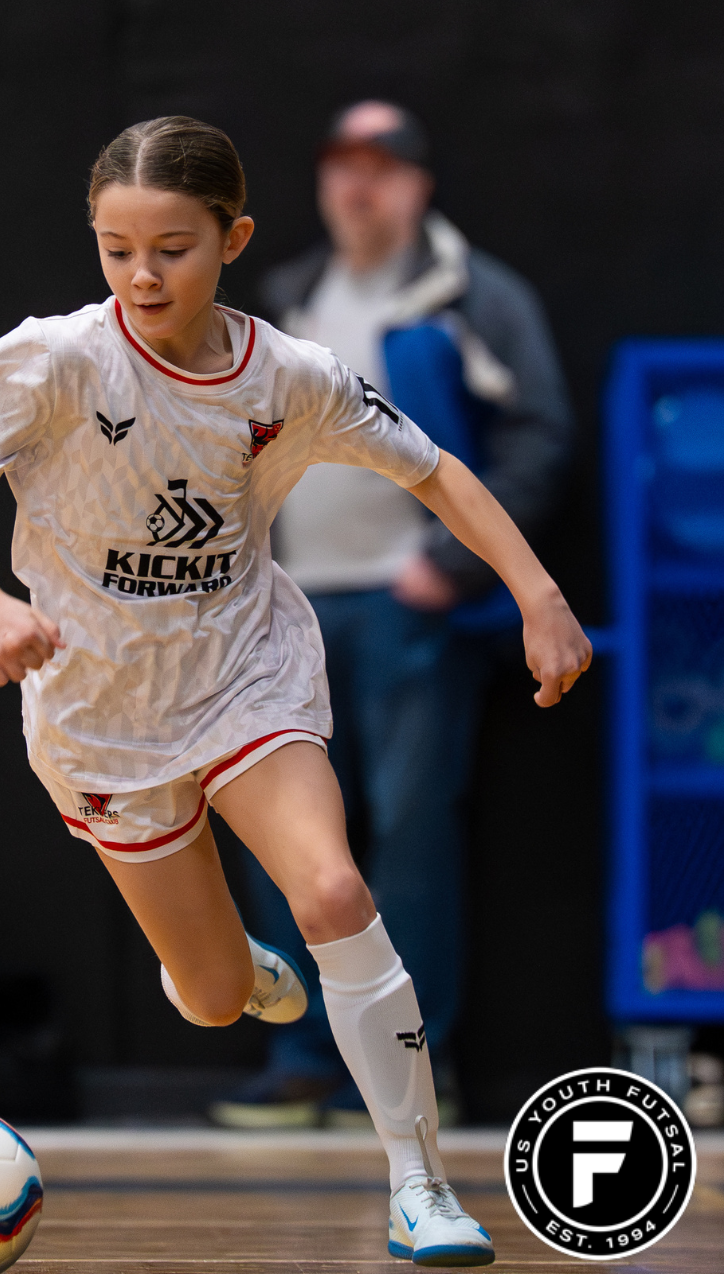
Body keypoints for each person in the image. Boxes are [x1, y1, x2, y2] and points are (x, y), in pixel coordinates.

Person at [0, 115, 590, 1267]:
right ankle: (229, 968)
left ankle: (419, 1186)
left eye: (172, 248)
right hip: (99, 718)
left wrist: (539, 595)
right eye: (117, 248)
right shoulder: (51, 359)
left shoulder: (291, 377)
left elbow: (439, 472)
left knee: (334, 890)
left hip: (244, 674)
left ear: (235, 238)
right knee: (216, 995)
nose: (142, 274)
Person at [212, 101, 574, 1128]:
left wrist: (453, 564)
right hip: (279, 614)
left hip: (406, 612)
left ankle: (416, 1064)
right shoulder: (286, 298)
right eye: (342, 164)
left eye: (382, 165)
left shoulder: (474, 297)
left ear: (419, 184)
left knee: (411, 834)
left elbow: (539, 436)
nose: (359, 184)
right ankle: (301, 1059)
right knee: (278, 835)